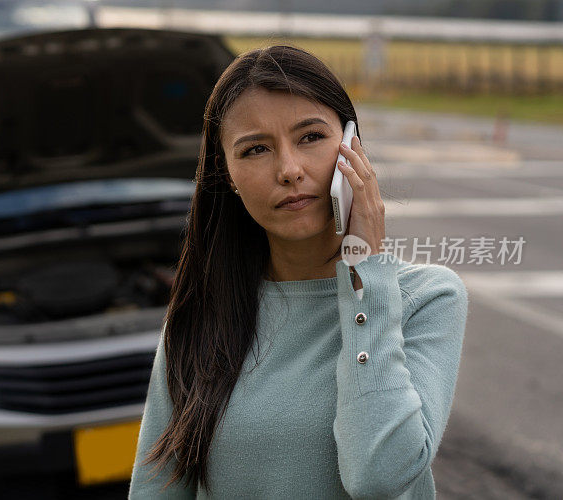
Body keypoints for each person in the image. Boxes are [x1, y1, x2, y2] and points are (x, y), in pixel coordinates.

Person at [128, 44, 468, 499]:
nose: (289, 170)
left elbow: (381, 476)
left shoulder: (427, 298)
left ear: (352, 147)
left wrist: (365, 267)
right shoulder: (198, 319)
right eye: (255, 149)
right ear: (226, 172)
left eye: (310, 137)